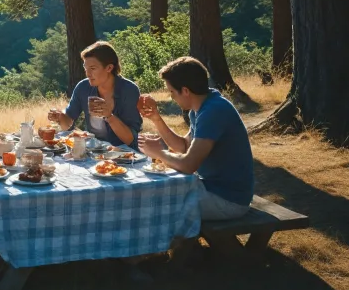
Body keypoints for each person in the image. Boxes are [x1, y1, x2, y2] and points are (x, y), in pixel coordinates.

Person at [137, 56, 254, 220]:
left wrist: (159, 153)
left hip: (228, 200)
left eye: (172, 92)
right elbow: (184, 146)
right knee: (152, 192)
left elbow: (188, 165)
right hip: (211, 188)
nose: (172, 97)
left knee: (153, 203)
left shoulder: (214, 111)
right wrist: (156, 119)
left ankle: (177, 238)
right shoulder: (200, 108)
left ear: (185, 91)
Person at [48, 41, 142, 148]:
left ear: (109, 68)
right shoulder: (83, 87)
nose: (88, 74)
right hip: (93, 149)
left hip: (124, 152)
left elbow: (131, 139)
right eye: (86, 68)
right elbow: (68, 123)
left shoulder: (129, 90)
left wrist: (109, 116)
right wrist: (60, 117)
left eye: (92, 68)